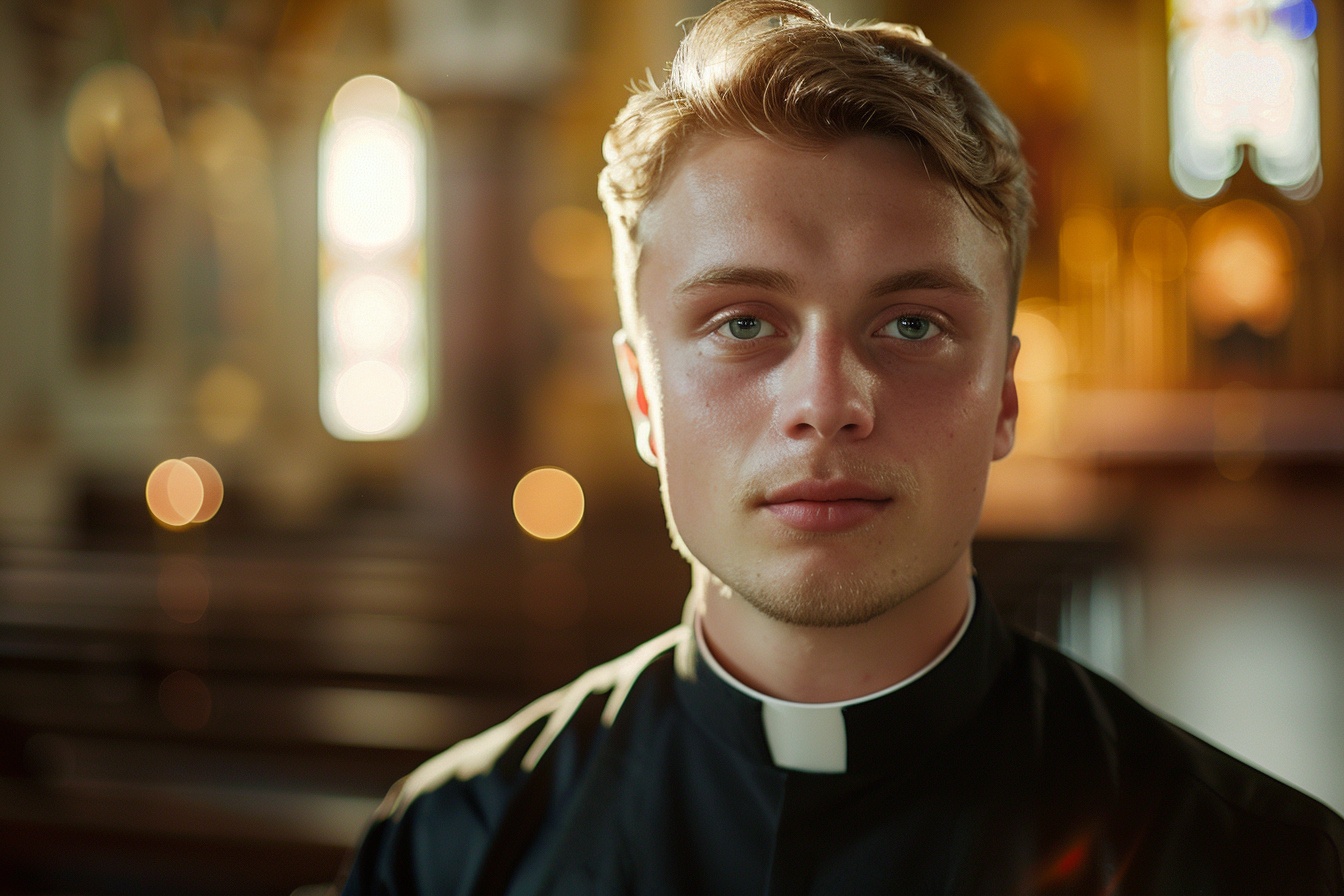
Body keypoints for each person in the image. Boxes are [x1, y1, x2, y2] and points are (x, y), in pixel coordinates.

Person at [341, 1, 1344, 892]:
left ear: (1004, 390)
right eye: (743, 323)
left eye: (910, 324)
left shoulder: (1252, 862)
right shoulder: (451, 848)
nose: (826, 403)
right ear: (645, 392)